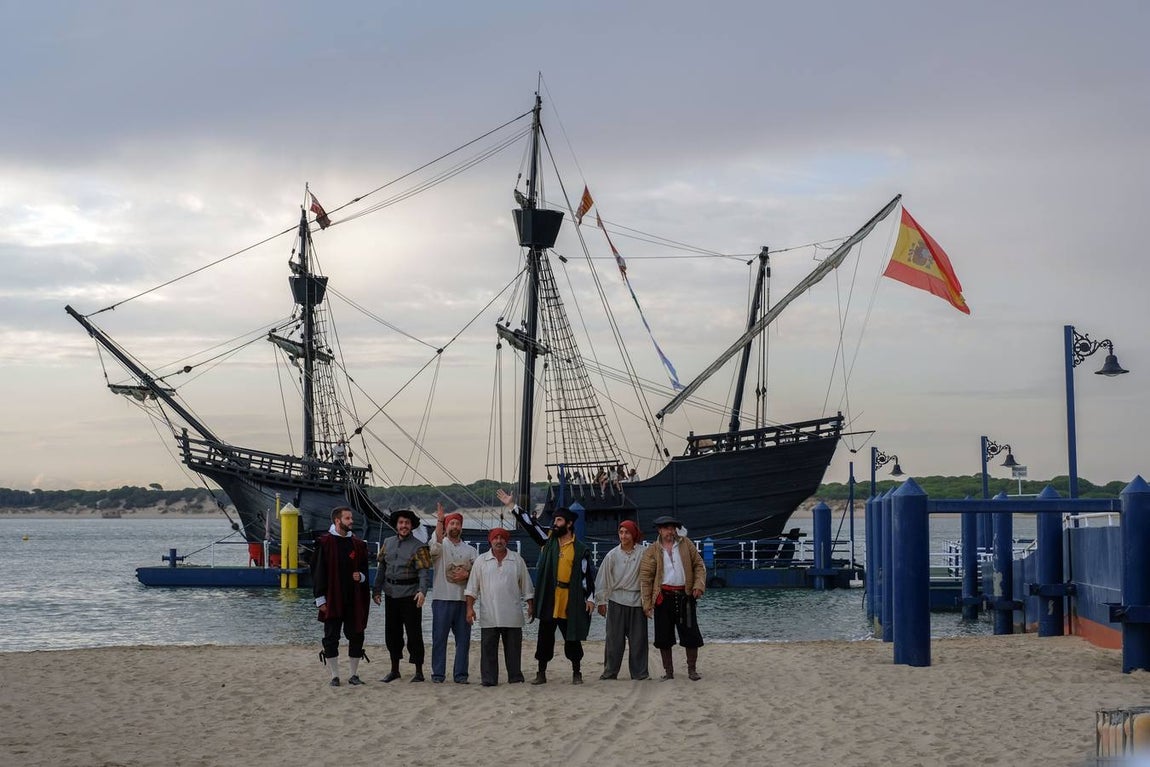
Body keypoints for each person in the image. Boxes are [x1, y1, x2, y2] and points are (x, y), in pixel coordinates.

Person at [515, 499, 596, 685]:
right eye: (555, 520)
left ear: (569, 523)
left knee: (572, 637)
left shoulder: (580, 549)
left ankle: (577, 672)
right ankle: (541, 673)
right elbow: (530, 525)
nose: (555, 523)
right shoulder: (548, 541)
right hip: (550, 597)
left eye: (559, 520)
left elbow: (586, 576)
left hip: (570, 598)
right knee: (544, 636)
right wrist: (514, 507)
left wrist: (590, 598)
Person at [464, 527, 535, 686]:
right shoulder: (481, 560)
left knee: (514, 650)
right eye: (495, 538)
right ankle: (489, 679)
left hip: (513, 613)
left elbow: (527, 585)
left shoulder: (516, 559)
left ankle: (515, 677)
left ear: (506, 541)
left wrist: (531, 605)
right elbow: (472, 588)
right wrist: (470, 608)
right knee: (488, 649)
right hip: (490, 614)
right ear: (490, 540)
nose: (498, 541)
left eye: (502, 538)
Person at [639, 515, 706, 681]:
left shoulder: (686, 544)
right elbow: (646, 578)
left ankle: (692, 670)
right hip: (663, 598)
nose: (670, 531)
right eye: (666, 528)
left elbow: (699, 564)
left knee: (691, 634)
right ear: (659, 530)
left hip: (685, 596)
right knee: (663, 637)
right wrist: (647, 604)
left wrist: (698, 585)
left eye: (672, 528)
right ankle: (668, 672)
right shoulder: (652, 551)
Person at [372, 508, 433, 682]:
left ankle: (419, 671)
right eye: (401, 523)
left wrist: (422, 591)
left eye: (407, 523)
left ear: (412, 525)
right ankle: (394, 670)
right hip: (391, 594)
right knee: (392, 634)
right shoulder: (388, 542)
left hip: (411, 596)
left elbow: (423, 572)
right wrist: (376, 590)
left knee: (414, 634)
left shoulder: (419, 546)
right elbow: (381, 568)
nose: (404, 525)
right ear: (396, 525)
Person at [312, 506, 370, 687]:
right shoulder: (325, 543)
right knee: (331, 637)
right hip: (332, 598)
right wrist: (319, 598)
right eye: (347, 518)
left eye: (351, 518)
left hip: (353, 598)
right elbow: (317, 571)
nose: (351, 521)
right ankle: (334, 675)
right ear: (337, 521)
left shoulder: (358, 545)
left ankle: (353, 674)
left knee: (356, 635)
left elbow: (365, 571)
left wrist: (360, 577)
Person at [429, 502, 478, 684]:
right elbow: (433, 548)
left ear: (461, 527)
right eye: (451, 523)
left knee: (463, 641)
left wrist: (468, 573)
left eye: (457, 523)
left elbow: (478, 573)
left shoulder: (470, 550)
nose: (454, 526)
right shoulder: (441, 545)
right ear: (446, 526)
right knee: (439, 639)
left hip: (462, 600)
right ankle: (438, 674)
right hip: (442, 598)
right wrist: (440, 521)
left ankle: (461, 675)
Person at [594, 519, 649, 680]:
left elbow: (653, 573)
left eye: (627, 532)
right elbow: (603, 578)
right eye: (621, 532)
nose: (623, 536)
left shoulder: (644, 553)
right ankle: (610, 672)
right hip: (617, 600)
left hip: (637, 601)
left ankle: (640, 673)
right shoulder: (612, 555)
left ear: (634, 534)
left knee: (638, 640)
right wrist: (601, 601)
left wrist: (650, 600)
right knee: (613, 640)